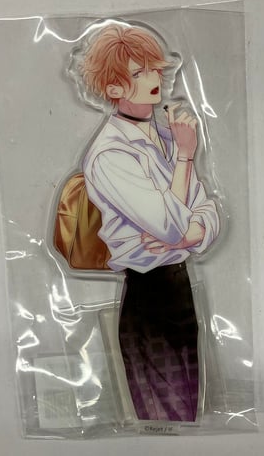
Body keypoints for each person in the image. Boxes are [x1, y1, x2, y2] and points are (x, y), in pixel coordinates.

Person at [79, 23, 220, 422]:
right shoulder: (110, 154)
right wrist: (185, 158)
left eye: (154, 69)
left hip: (180, 289)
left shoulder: (168, 138)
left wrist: (186, 237)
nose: (153, 79)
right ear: (114, 87)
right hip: (149, 295)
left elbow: (206, 211)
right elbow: (172, 225)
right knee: (168, 423)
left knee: (189, 414)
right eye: (138, 73)